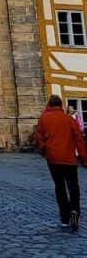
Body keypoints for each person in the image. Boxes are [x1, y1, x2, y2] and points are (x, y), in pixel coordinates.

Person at [36, 93, 87, 231]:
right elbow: (79, 139)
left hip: (53, 159)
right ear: (60, 105)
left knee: (60, 187)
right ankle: (75, 211)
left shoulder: (43, 119)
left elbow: (39, 138)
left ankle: (65, 218)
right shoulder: (69, 119)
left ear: (49, 105)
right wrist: (84, 158)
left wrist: (44, 151)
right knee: (73, 186)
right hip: (69, 159)